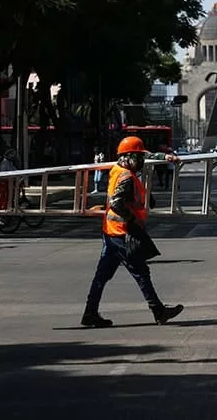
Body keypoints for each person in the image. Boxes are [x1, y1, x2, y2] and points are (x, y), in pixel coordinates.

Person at [81, 136, 184, 328]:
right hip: (122, 232)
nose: (143, 162)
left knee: (102, 275)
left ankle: (90, 313)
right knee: (140, 272)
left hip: (111, 231)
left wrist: (164, 156)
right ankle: (159, 311)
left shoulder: (118, 168)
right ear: (129, 157)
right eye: (139, 158)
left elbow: (145, 155)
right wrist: (133, 218)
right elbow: (117, 203)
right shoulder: (126, 177)